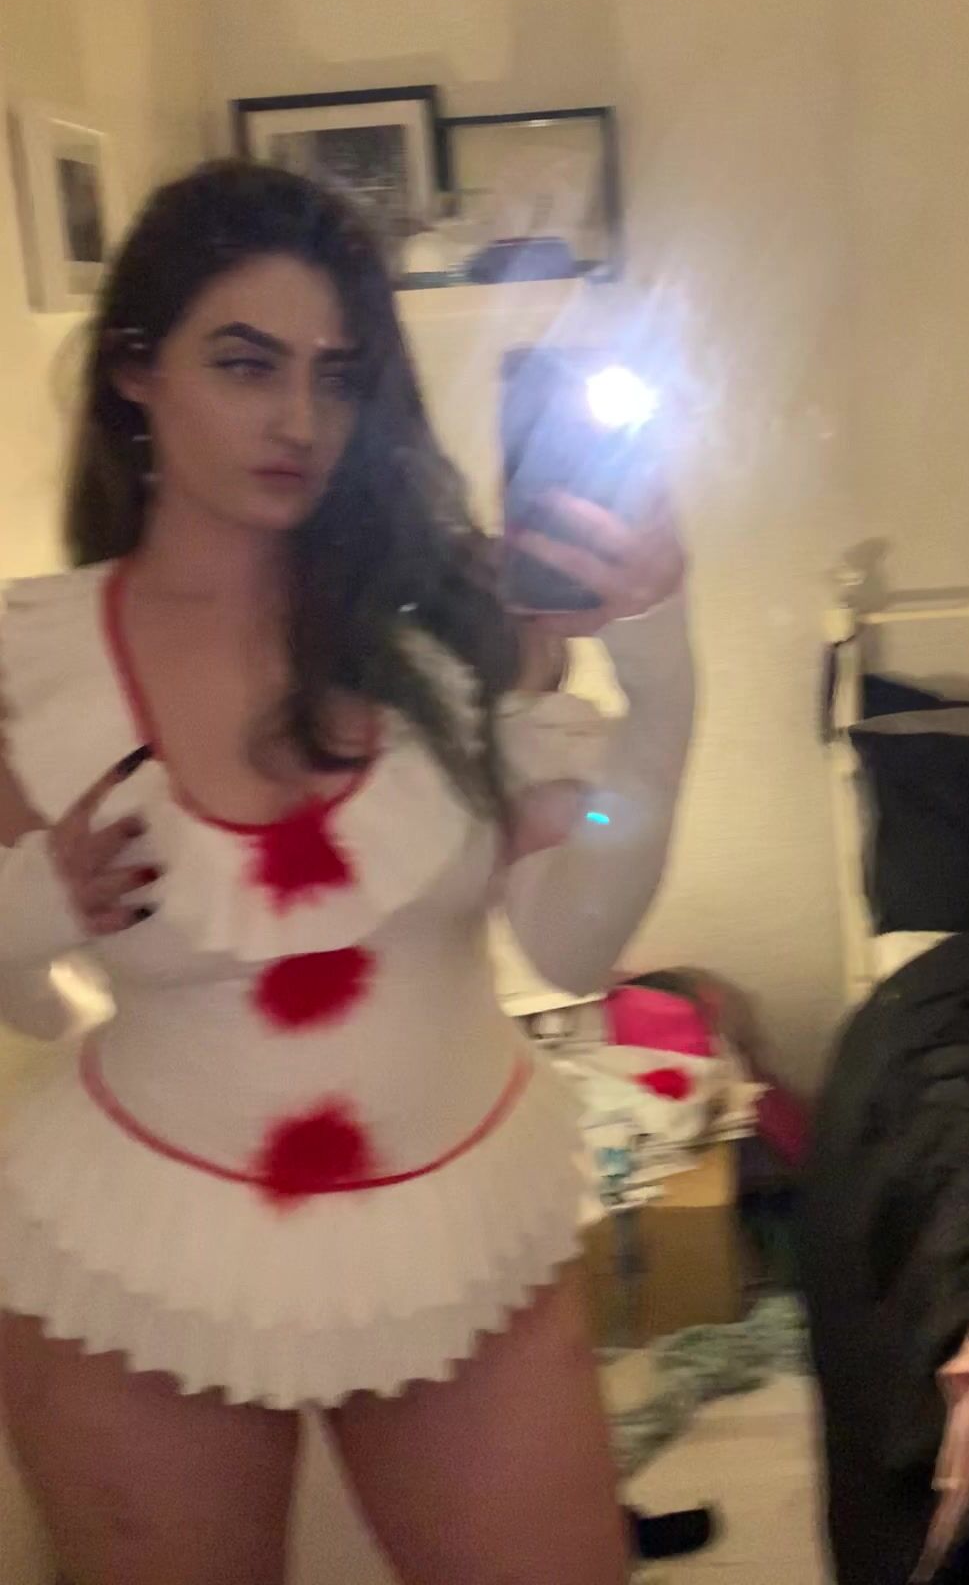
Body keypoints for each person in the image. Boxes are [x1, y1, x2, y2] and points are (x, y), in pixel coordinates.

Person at [0, 161, 695, 1585]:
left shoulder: (447, 625)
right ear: (134, 371)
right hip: (140, 1243)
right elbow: (24, 996)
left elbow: (570, 947)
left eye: (337, 372)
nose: (300, 421)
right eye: (246, 364)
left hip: (460, 1223)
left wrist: (662, 674)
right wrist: (35, 904)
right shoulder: (31, 661)